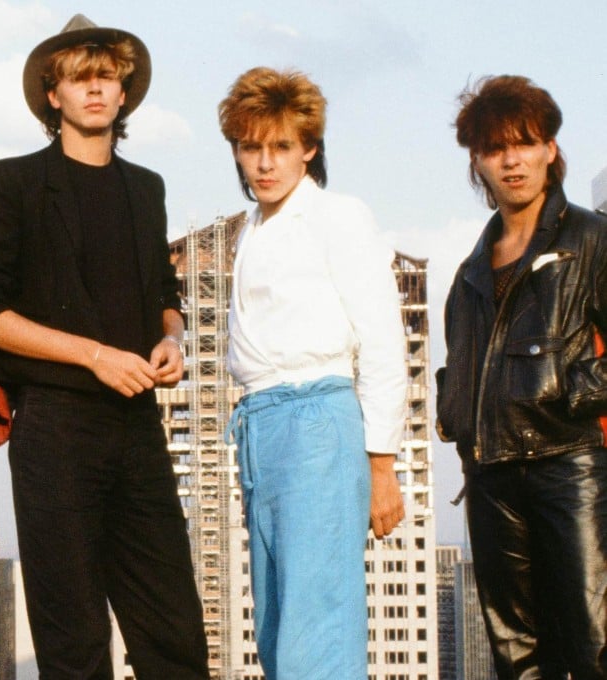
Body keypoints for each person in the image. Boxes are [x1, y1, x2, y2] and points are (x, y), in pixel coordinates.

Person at [0, 14, 209, 679]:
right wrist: (93, 354)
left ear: (124, 93)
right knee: (73, 640)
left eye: (106, 77)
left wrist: (170, 340)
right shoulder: (10, 184)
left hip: (137, 425)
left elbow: (164, 291)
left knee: (176, 633)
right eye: (79, 78)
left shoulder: (145, 187)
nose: (95, 90)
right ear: (53, 94)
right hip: (53, 423)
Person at [218, 67, 406, 679]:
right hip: (260, 427)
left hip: (318, 421)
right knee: (275, 626)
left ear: (309, 149)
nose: (264, 163)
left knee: (315, 629)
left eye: (280, 147)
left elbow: (381, 340)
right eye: (251, 147)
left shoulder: (338, 215)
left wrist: (381, 465)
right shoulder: (251, 228)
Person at [437, 75, 607, 678]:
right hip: (490, 480)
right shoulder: (469, 276)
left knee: (594, 643)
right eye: (494, 148)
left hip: (571, 467)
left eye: (526, 142)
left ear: (550, 150)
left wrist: (567, 392)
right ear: (477, 163)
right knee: (516, 656)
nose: (512, 160)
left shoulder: (591, 238)